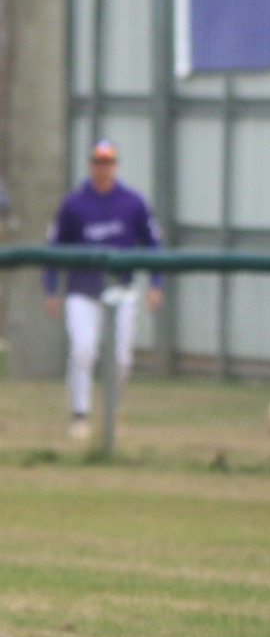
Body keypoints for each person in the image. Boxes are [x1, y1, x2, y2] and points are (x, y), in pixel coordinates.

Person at [43, 140, 165, 441]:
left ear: (115, 165)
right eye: (98, 161)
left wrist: (156, 283)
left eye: (108, 162)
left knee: (122, 358)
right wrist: (50, 288)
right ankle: (80, 415)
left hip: (121, 289)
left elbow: (153, 244)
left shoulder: (132, 202)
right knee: (83, 350)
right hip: (81, 290)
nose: (103, 167)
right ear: (90, 165)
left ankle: (112, 414)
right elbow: (52, 247)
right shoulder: (74, 203)